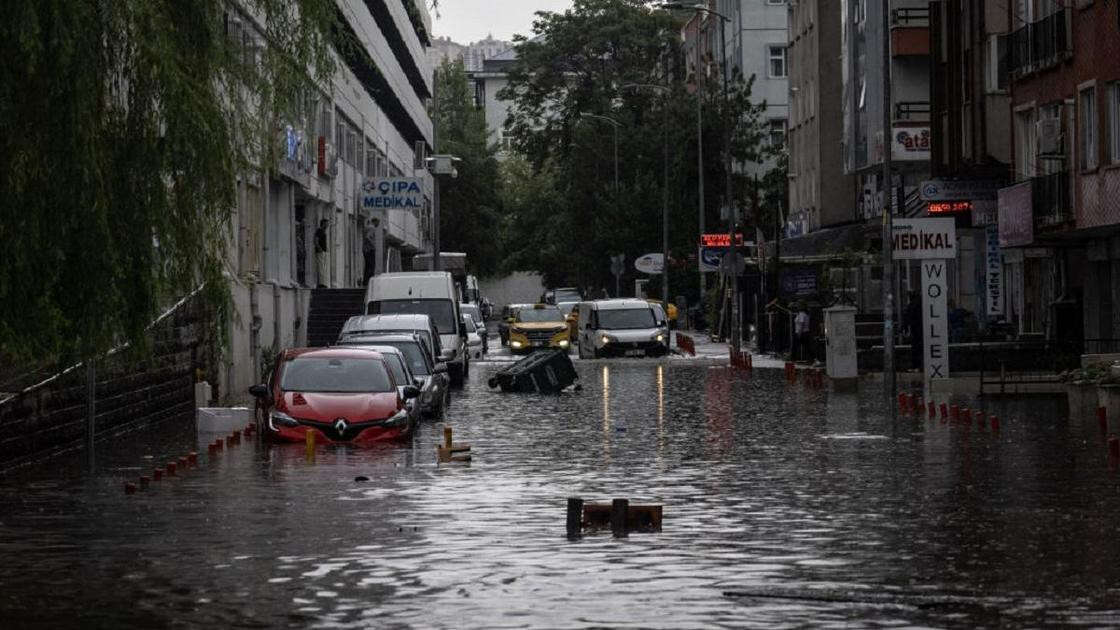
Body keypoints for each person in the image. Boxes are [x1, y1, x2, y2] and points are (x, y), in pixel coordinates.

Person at [903, 291, 923, 371]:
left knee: (916, 348)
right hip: (921, 328)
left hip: (916, 329)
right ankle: (919, 366)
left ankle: (916, 365)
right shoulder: (921, 304)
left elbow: (907, 317)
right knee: (920, 348)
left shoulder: (912, 305)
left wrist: (904, 328)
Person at [315, 219, 329, 288]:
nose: (327, 225)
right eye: (326, 224)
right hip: (320, 252)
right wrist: (319, 248)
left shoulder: (323, 231)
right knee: (321, 267)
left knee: (323, 267)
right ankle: (321, 284)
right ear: (323, 223)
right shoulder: (319, 231)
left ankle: (323, 283)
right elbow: (316, 240)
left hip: (323, 251)